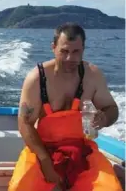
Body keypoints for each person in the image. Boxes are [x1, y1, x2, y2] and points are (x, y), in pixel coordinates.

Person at [8, 23, 122, 191]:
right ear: (53, 48)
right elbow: (24, 123)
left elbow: (111, 108)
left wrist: (105, 118)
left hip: (82, 150)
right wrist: (45, 161)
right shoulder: (37, 78)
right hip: (43, 149)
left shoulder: (93, 75)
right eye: (64, 51)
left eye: (76, 52)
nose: (70, 58)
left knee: (109, 188)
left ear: (83, 48)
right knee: (21, 186)